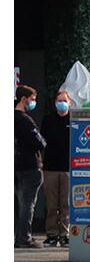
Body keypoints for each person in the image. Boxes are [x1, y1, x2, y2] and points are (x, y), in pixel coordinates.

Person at [14, 85, 46, 249]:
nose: (33, 103)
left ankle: (18, 236)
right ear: (24, 99)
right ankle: (24, 238)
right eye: (32, 99)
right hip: (29, 166)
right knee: (28, 204)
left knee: (19, 203)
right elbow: (39, 141)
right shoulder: (25, 120)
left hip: (16, 166)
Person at [40, 90, 72, 247]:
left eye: (64, 100)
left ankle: (65, 234)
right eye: (59, 100)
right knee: (52, 204)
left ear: (70, 103)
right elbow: (42, 140)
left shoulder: (73, 120)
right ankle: (52, 234)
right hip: (50, 167)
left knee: (66, 204)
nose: (62, 103)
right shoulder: (48, 120)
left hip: (68, 168)